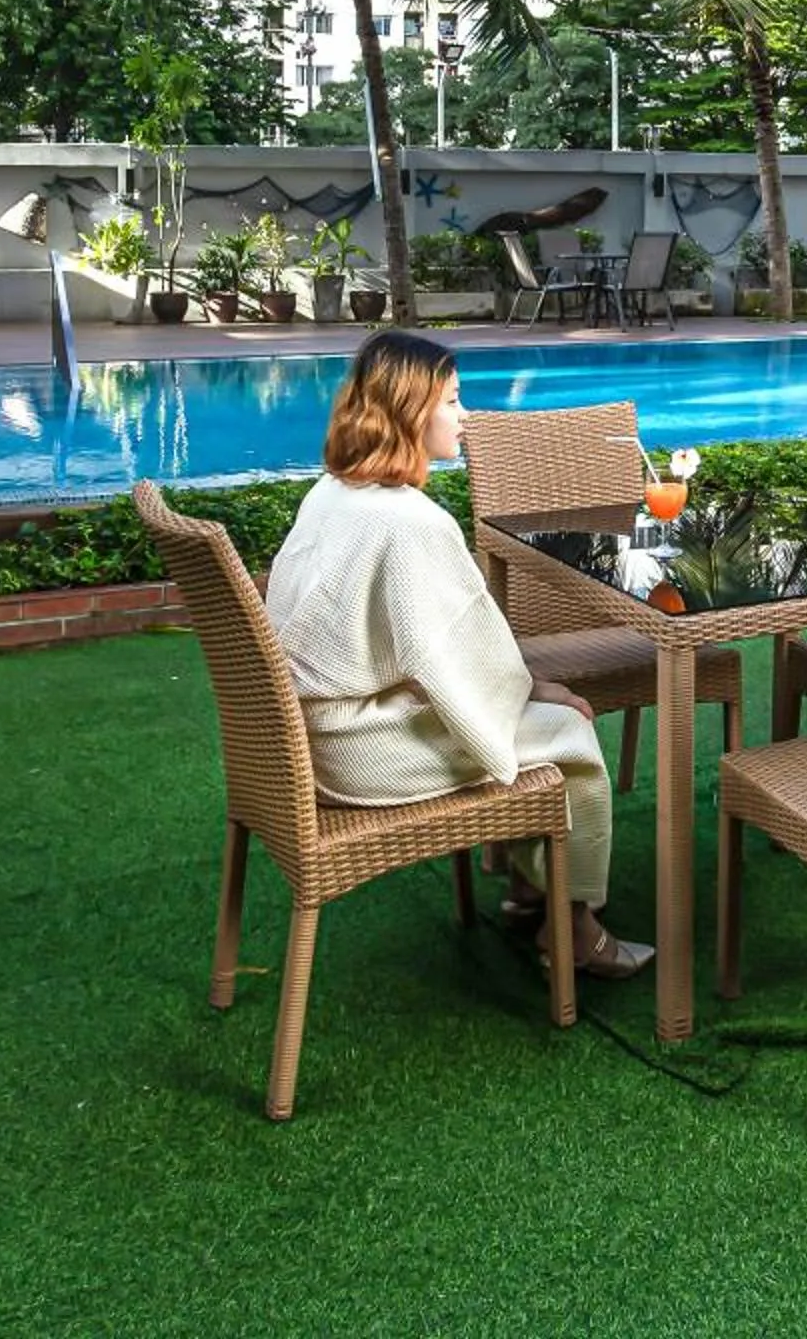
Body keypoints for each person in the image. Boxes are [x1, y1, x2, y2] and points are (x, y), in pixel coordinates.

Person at [264, 329, 654, 979]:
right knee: (574, 738)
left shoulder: (334, 493)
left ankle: (530, 894)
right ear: (411, 411)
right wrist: (539, 691)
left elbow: (429, 647)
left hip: (310, 737)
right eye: (451, 400)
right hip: (361, 753)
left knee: (531, 722)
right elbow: (460, 659)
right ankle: (576, 928)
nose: (464, 414)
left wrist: (519, 687)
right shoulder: (409, 522)